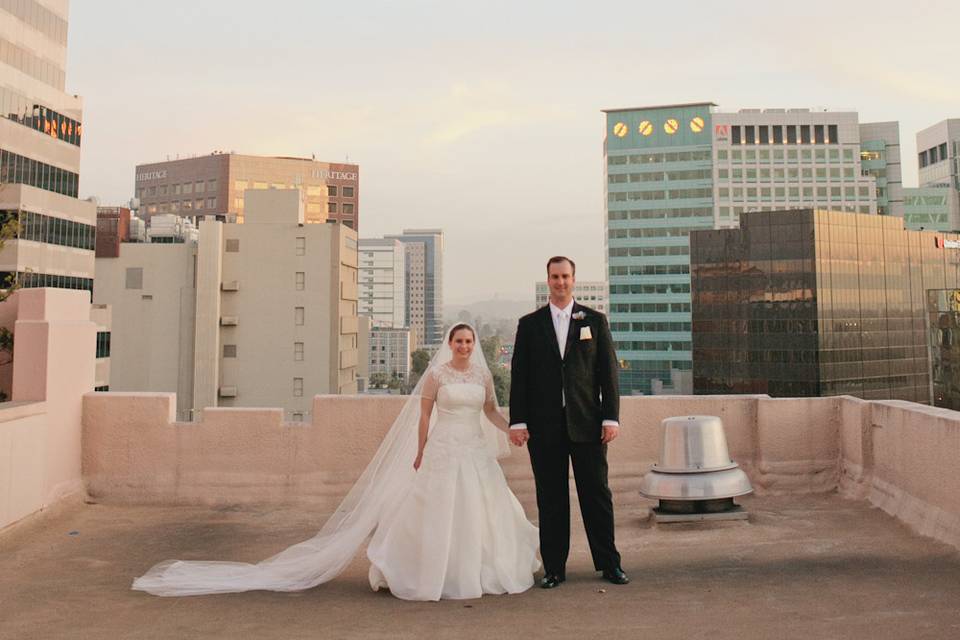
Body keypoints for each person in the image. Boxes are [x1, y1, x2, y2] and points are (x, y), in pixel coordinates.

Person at [132, 324, 539, 600]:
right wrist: (419, 451)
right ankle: (427, 572)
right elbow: (425, 417)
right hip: (444, 448)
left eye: (469, 342)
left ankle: (476, 571)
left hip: (473, 449)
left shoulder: (482, 378)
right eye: (459, 341)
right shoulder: (438, 376)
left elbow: (489, 412)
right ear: (450, 344)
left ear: (475, 345)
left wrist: (511, 430)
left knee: (481, 509)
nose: (464, 347)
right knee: (436, 510)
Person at [508, 256, 628, 588]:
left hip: (588, 423)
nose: (560, 282)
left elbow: (609, 374)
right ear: (547, 280)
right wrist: (518, 421)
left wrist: (611, 417)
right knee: (551, 498)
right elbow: (520, 378)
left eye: (565, 276)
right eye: (554, 277)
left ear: (574, 279)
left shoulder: (595, 320)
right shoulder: (530, 325)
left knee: (597, 495)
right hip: (544, 426)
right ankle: (554, 569)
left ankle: (609, 563)